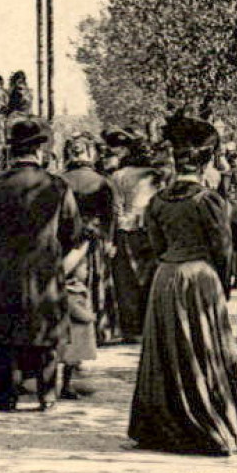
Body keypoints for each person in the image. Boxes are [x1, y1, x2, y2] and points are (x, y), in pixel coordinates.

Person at [128, 117, 237, 455]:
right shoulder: (209, 200)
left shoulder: (158, 201)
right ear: (207, 163)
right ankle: (210, 422)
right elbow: (223, 248)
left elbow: (154, 243)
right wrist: (223, 285)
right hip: (200, 277)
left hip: (166, 277)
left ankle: (162, 427)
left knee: (166, 351)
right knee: (204, 347)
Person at [0, 117, 85, 412]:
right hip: (45, 270)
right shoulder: (57, 186)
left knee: (6, 331)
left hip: (5, 270)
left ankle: (7, 395)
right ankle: (47, 394)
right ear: (39, 150)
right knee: (44, 329)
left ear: (11, 150)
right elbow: (73, 233)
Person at [61, 135, 117, 378]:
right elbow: (111, 216)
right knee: (93, 288)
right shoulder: (102, 182)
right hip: (94, 241)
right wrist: (109, 240)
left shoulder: (59, 180)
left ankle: (70, 341)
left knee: (69, 290)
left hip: (66, 244)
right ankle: (95, 334)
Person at [107, 138, 163, 343]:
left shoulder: (118, 176)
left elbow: (116, 207)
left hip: (127, 229)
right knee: (150, 276)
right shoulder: (156, 176)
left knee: (127, 280)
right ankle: (150, 324)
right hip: (151, 230)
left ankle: (131, 328)